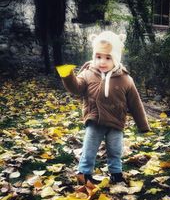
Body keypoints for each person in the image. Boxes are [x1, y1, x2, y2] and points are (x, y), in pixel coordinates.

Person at [56, 31, 150, 184]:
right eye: (98, 57)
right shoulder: (88, 73)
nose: (102, 62)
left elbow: (135, 103)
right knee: (89, 149)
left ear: (116, 58)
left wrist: (143, 125)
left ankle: (116, 174)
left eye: (108, 57)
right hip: (95, 120)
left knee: (115, 150)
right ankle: (84, 174)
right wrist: (68, 76)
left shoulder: (126, 79)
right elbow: (76, 88)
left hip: (116, 122)